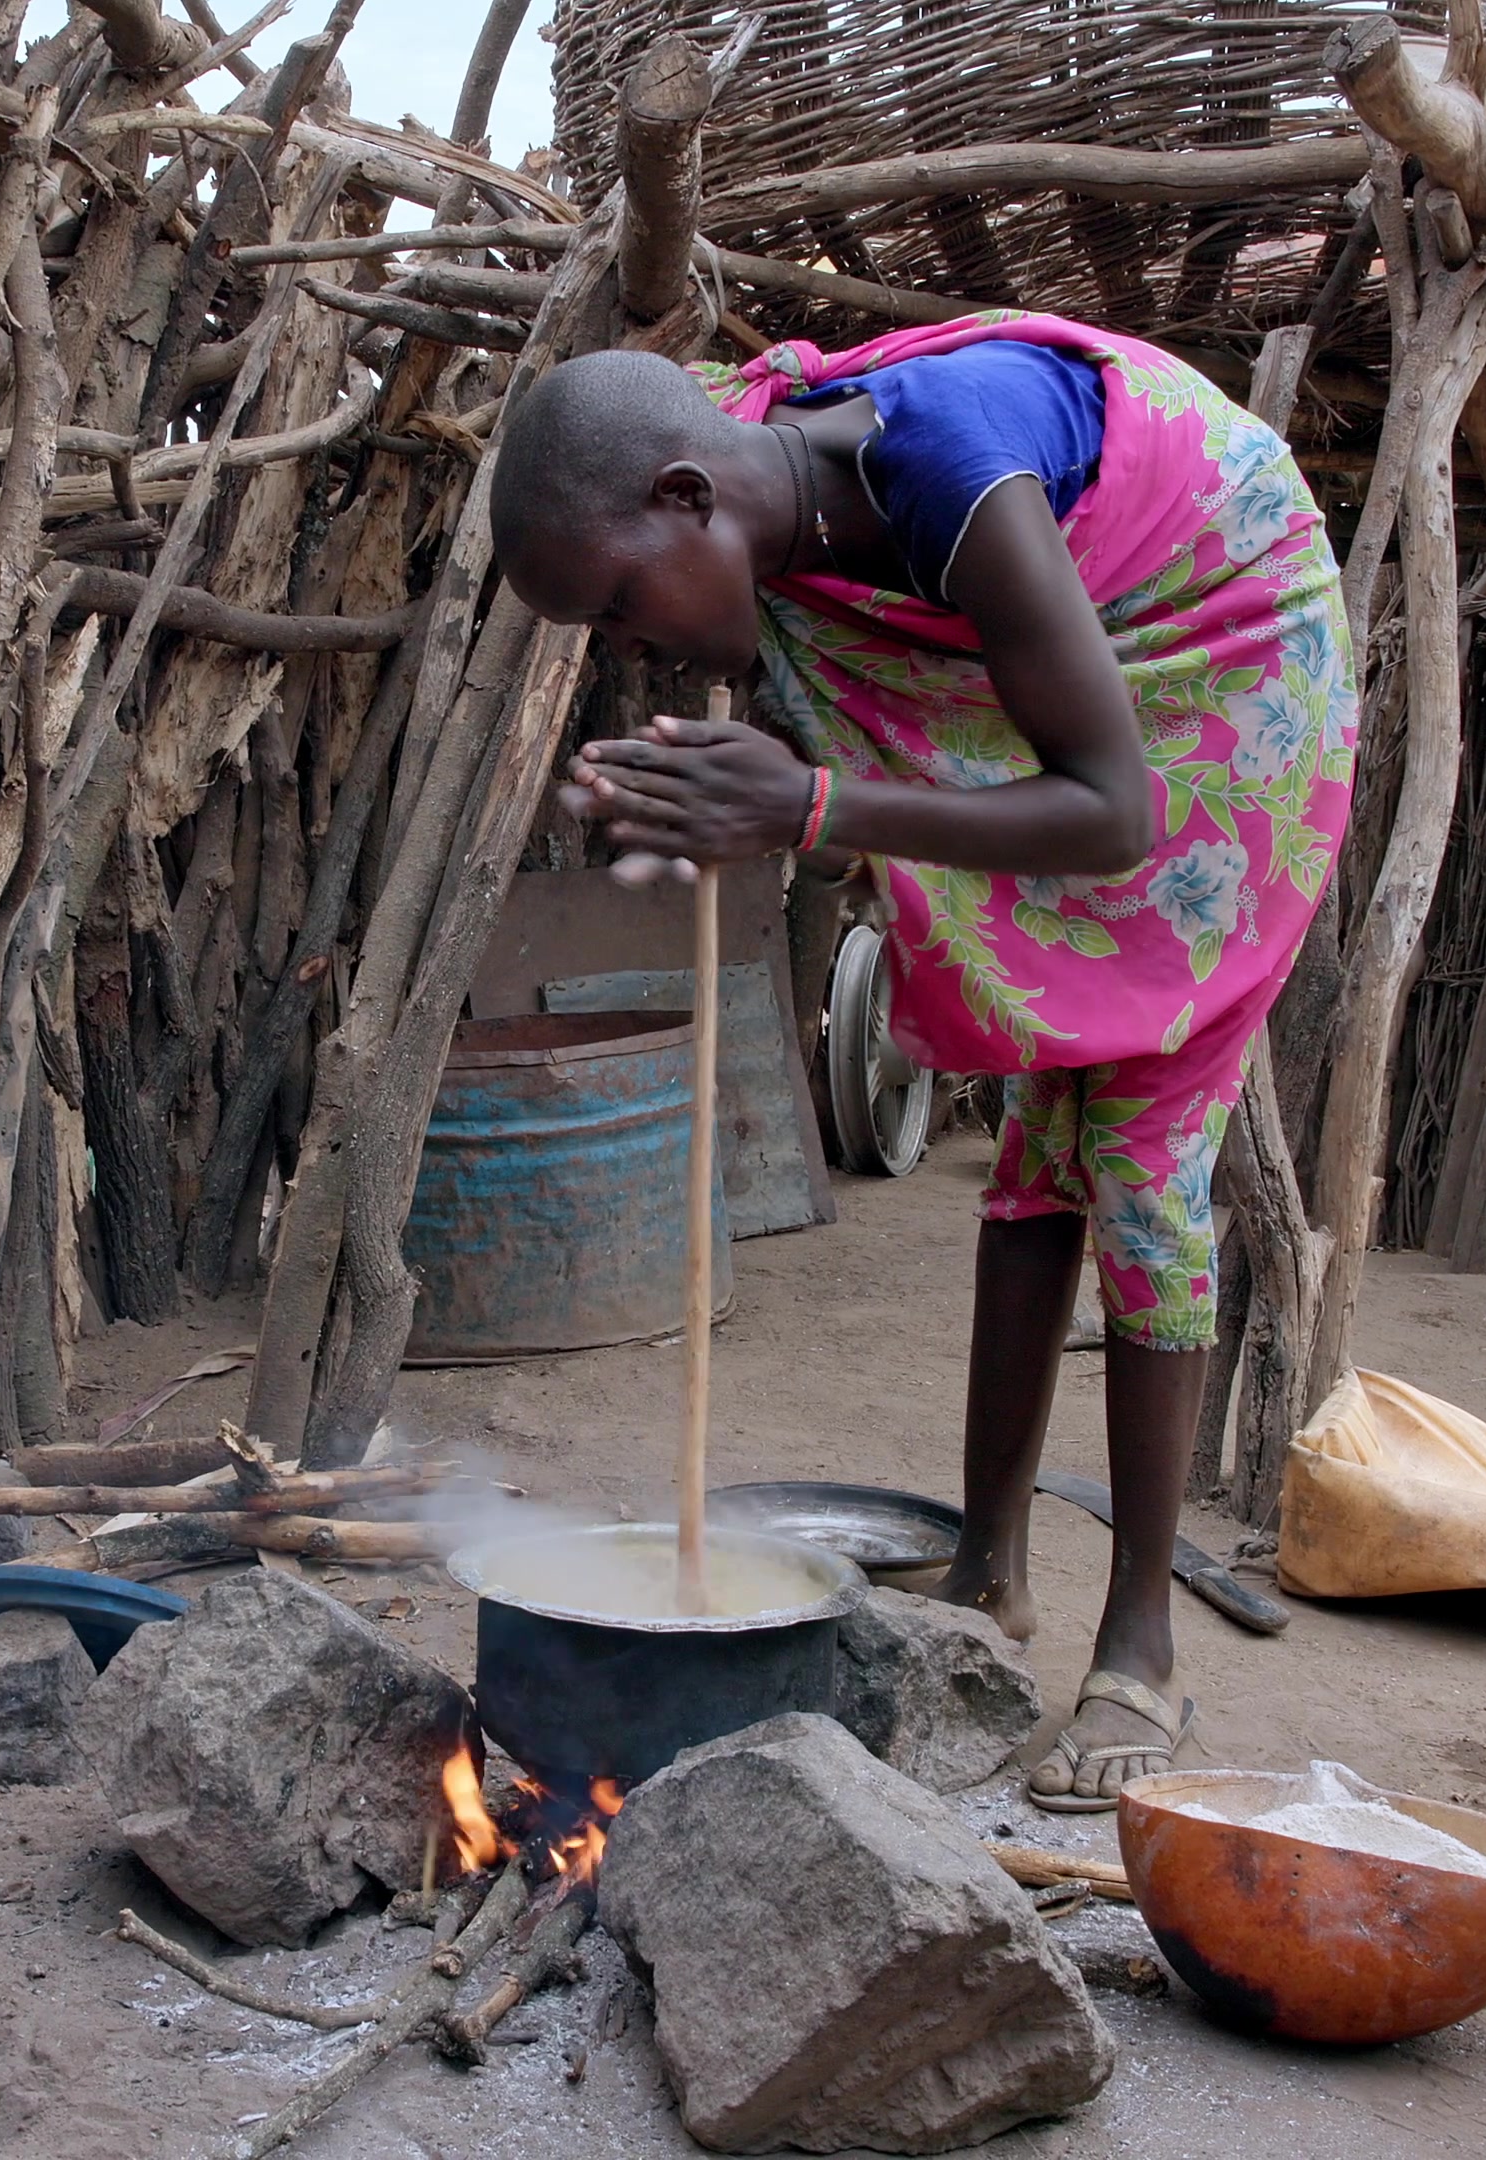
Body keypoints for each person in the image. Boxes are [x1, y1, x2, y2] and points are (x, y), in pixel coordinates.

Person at [491, 315, 1355, 1810]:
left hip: (1223, 655)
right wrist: (700, 807)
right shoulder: (776, 502)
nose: (632, 650)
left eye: (624, 605)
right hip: (1093, 682)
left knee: (1144, 1148)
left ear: (690, 496)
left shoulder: (958, 479)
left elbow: (1114, 814)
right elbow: (839, 746)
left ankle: (1141, 1645)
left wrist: (811, 809)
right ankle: (988, 1569)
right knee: (1040, 1136)